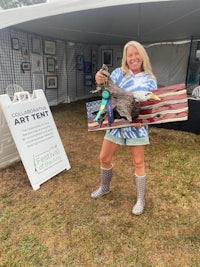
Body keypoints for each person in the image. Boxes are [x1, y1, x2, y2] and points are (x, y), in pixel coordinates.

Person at [91, 40, 157, 215]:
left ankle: (140, 199)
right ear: (126, 58)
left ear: (142, 56)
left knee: (138, 162)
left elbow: (150, 107)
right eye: (130, 55)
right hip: (116, 124)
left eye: (137, 54)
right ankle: (104, 187)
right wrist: (99, 79)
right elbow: (106, 90)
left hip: (137, 126)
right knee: (104, 157)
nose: (134, 58)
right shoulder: (119, 73)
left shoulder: (150, 80)